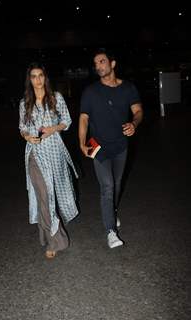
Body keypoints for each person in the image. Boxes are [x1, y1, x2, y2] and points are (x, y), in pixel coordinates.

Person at [79, 48, 143, 249]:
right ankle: (110, 231)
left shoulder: (128, 88)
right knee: (107, 186)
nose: (98, 66)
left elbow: (138, 111)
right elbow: (83, 119)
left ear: (112, 64)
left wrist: (134, 123)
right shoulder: (90, 92)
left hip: (121, 145)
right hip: (97, 145)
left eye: (102, 61)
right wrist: (81, 142)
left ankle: (112, 211)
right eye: (96, 63)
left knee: (116, 184)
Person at [19, 62, 79, 259]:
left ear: (45, 78)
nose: (37, 79)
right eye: (33, 76)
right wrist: (27, 136)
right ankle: (56, 241)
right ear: (30, 79)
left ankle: (48, 234)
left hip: (54, 152)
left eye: (40, 75)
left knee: (55, 195)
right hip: (34, 155)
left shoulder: (56, 98)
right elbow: (22, 128)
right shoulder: (24, 103)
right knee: (43, 197)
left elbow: (67, 121)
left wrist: (53, 129)